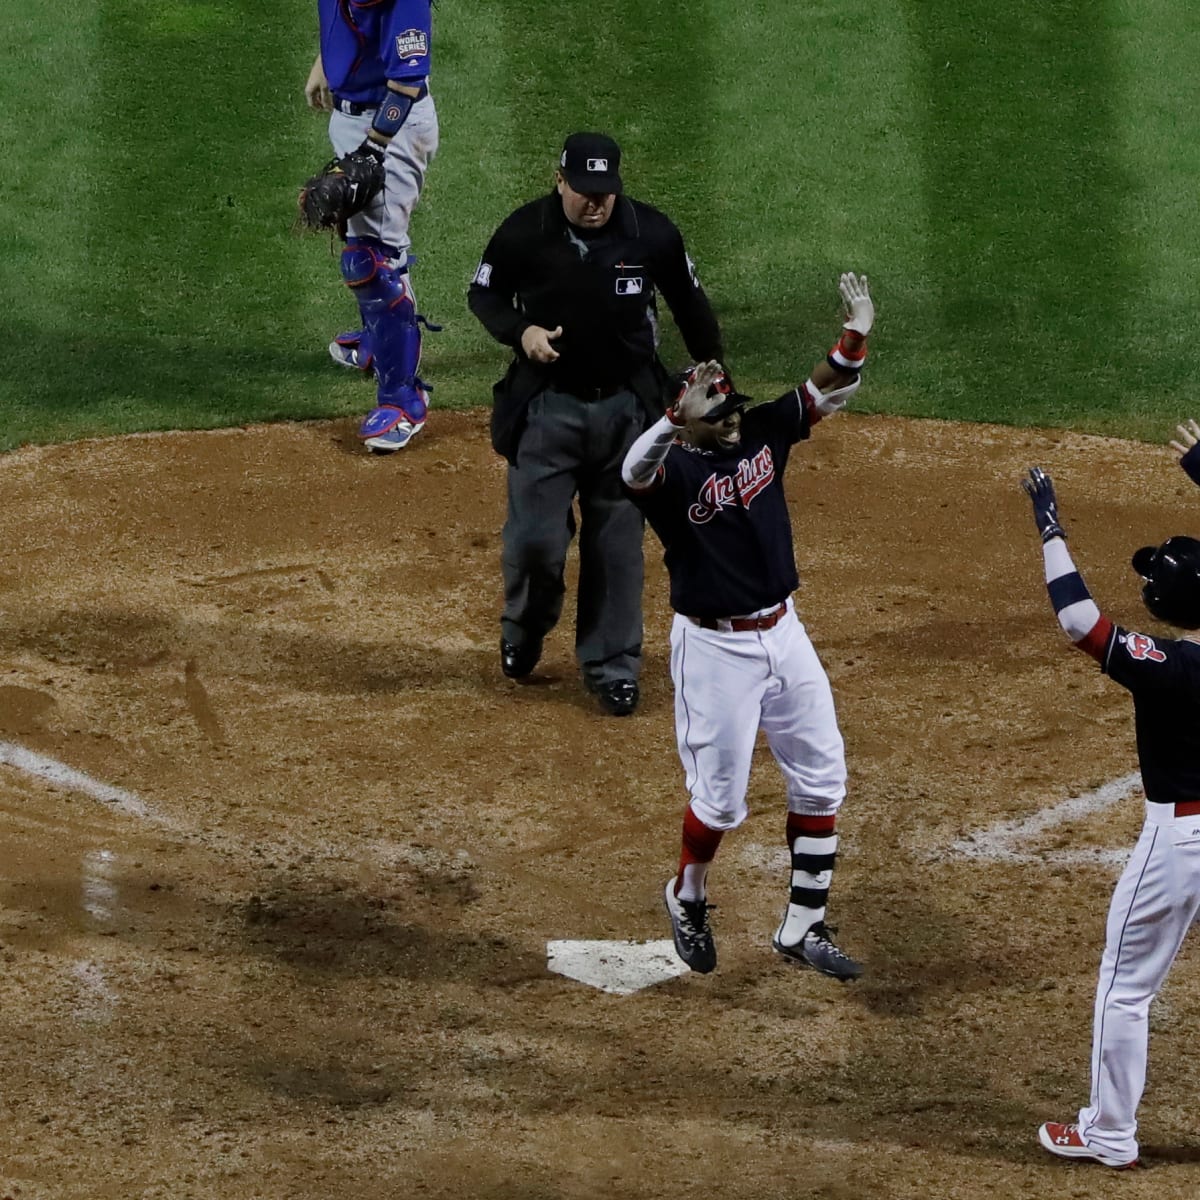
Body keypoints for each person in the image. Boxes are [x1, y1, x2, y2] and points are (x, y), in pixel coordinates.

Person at [620, 273, 874, 978]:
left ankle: (803, 927)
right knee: (721, 803)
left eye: (731, 404)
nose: (731, 418)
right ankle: (688, 894)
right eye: (716, 411)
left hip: (785, 634)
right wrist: (671, 423)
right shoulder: (670, 479)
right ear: (686, 418)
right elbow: (629, 470)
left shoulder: (761, 431)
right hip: (713, 650)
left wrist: (856, 333)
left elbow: (823, 390)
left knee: (823, 781)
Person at [467, 132, 724, 716]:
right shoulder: (524, 232)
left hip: (629, 411)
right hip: (548, 409)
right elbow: (483, 295)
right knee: (534, 541)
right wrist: (521, 332)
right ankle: (525, 629)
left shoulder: (650, 232)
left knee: (617, 544)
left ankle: (612, 666)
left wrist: (714, 373)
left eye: (606, 192)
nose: (595, 203)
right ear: (559, 180)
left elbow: (690, 302)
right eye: (584, 191)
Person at [1023, 451, 1200, 1170]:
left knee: (1125, 989)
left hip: (1180, 842)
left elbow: (1078, 620)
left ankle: (1108, 1133)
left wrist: (1049, 527)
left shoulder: (1172, 667)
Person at [306, 0, 439, 453]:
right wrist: (326, 62)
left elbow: (406, 82)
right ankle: (375, 342)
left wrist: (373, 148)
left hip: (389, 124)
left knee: (374, 261)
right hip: (350, 116)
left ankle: (404, 399)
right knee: (355, 233)